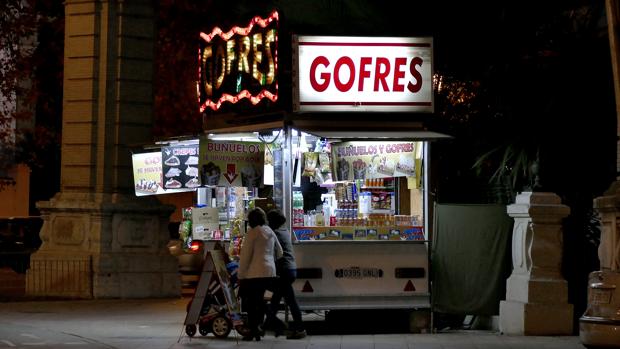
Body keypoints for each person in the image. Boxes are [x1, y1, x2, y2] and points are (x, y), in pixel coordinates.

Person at [238, 207, 283, 341]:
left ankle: (256, 330)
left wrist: (240, 275)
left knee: (251, 304)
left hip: (254, 273)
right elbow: (280, 252)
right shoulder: (269, 231)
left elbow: (245, 257)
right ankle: (261, 328)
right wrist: (269, 259)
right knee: (260, 301)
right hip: (270, 272)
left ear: (251, 220)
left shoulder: (252, 233)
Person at [264, 209, 307, 339]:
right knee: (276, 300)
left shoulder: (274, 234)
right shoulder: (285, 231)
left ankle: (299, 329)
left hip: (284, 271)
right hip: (290, 269)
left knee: (290, 301)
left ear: (271, 222)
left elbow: (273, 253)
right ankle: (268, 326)